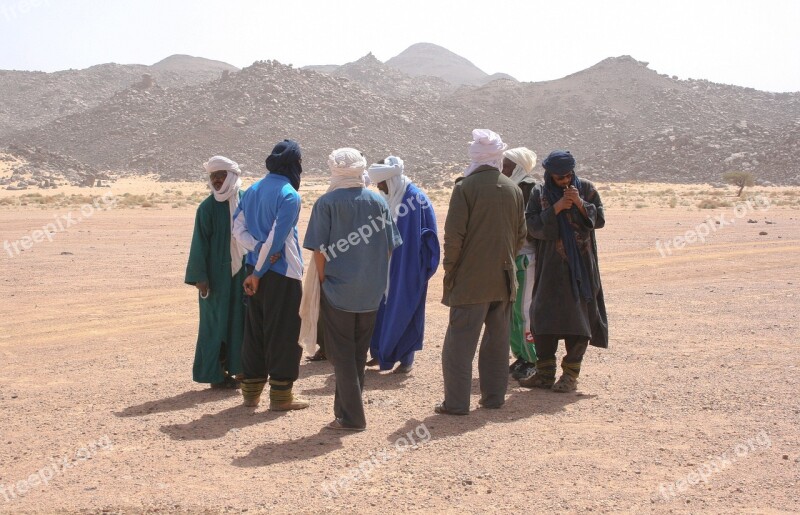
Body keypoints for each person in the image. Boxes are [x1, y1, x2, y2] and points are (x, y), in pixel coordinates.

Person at [302, 148, 401, 431]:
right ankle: (343, 412)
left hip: (337, 291)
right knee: (357, 353)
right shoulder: (378, 202)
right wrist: (373, 275)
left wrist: (323, 281)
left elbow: (319, 251)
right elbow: (389, 247)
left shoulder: (326, 203)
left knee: (343, 355)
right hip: (370, 292)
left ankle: (353, 418)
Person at [437, 129, 526, 415]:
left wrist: (450, 272)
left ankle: (456, 403)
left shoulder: (465, 188)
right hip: (504, 279)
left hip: (471, 281)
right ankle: (493, 398)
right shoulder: (513, 188)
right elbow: (520, 236)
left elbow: (454, 237)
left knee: (460, 344)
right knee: (497, 344)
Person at [519, 150, 608, 392]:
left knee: (578, 320)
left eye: (569, 175)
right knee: (542, 318)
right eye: (560, 177)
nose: (565, 180)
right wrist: (556, 208)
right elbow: (533, 226)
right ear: (550, 175)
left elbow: (599, 219)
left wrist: (580, 204)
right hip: (550, 268)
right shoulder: (539, 193)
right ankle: (545, 373)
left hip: (581, 269)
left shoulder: (587, 189)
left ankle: (570, 375)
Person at [231, 140, 308, 410]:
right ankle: (281, 397)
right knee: (284, 333)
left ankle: (250, 394)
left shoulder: (252, 190)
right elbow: (277, 239)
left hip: (254, 268)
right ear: (294, 164)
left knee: (255, 330)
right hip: (281, 272)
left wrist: (255, 253)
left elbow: (237, 227)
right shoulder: (289, 195)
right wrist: (261, 268)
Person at [366, 156, 440, 373]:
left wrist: (418, 269)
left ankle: (405, 359)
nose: (379, 187)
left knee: (406, 309)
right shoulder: (389, 197)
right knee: (381, 310)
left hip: (407, 269)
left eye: (381, 183)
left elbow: (430, 238)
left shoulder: (415, 200)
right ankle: (381, 353)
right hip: (386, 267)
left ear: (392, 180)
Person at [184, 156, 247, 389]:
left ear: (232, 176)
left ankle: (241, 370)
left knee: (240, 321)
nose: (218, 180)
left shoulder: (245, 202)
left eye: (222, 175)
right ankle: (215, 375)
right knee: (215, 324)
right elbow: (198, 244)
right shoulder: (207, 208)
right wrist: (200, 278)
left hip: (243, 273)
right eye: (214, 177)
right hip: (216, 278)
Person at [501, 147, 539, 381]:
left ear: (518, 167)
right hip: (511, 258)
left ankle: (533, 359)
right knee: (512, 312)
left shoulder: (531, 189)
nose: (503, 169)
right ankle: (521, 356)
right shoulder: (509, 187)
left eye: (507, 166)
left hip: (526, 258)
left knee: (525, 312)